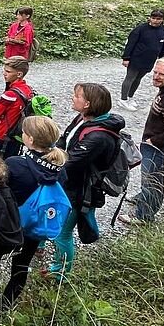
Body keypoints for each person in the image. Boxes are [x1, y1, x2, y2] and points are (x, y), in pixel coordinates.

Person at [47, 83, 125, 276]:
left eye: (77, 96)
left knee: (62, 234)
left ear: (88, 104)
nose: (73, 98)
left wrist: (44, 161)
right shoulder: (82, 119)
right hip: (70, 184)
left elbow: (71, 161)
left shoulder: (98, 136)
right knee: (59, 225)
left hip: (81, 190)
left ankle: (60, 274)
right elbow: (64, 139)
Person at [0, 117, 67, 307]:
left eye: (24, 132)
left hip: (11, 223)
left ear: (30, 140)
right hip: (36, 224)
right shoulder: (60, 169)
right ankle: (5, 305)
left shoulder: (15, 164)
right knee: (21, 266)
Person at [119, 59, 164, 225]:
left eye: (162, 74)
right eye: (156, 72)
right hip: (157, 146)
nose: (156, 77)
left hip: (160, 148)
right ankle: (143, 197)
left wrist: (152, 141)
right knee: (149, 178)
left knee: (153, 180)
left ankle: (144, 216)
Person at [119, 8, 164, 110]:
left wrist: (163, 59)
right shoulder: (141, 29)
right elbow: (130, 43)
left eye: (158, 18)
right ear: (150, 18)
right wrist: (126, 57)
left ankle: (130, 97)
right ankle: (123, 100)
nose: (155, 20)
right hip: (136, 58)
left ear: (163, 19)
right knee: (130, 78)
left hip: (149, 60)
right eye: (153, 18)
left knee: (138, 78)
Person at [0, 57, 33, 158]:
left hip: (2, 136)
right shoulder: (28, 90)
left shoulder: (10, 95)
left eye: (8, 71)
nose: (4, 73)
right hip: (16, 136)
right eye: (4, 70)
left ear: (19, 74)